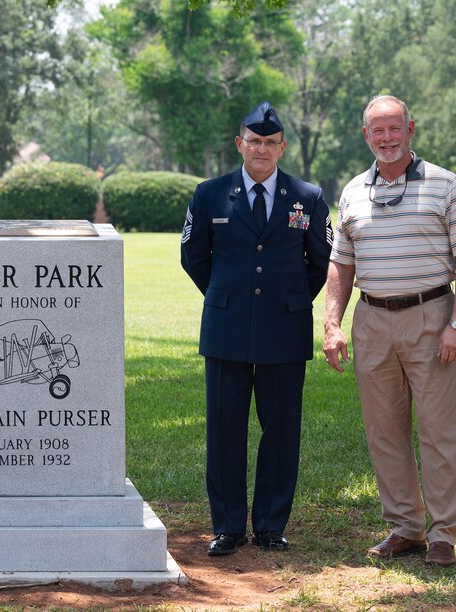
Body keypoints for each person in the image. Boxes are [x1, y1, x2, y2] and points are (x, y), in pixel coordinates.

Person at [323, 95, 456, 567]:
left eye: (395, 129)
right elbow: (341, 263)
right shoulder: (353, 190)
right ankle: (406, 528)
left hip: (431, 317)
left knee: (438, 431)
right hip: (371, 320)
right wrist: (333, 323)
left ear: (410, 129)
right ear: (366, 135)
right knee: (384, 432)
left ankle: (443, 535)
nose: (387, 138)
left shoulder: (445, 185)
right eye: (378, 130)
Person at [181, 101, 332, 556]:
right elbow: (194, 257)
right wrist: (228, 296)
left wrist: (288, 303)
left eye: (269, 142)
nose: (261, 149)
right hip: (226, 327)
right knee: (225, 430)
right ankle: (227, 526)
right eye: (253, 140)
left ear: (282, 147)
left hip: (284, 330)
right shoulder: (210, 194)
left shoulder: (307, 196)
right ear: (239, 144)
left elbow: (320, 263)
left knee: (281, 430)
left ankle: (270, 525)